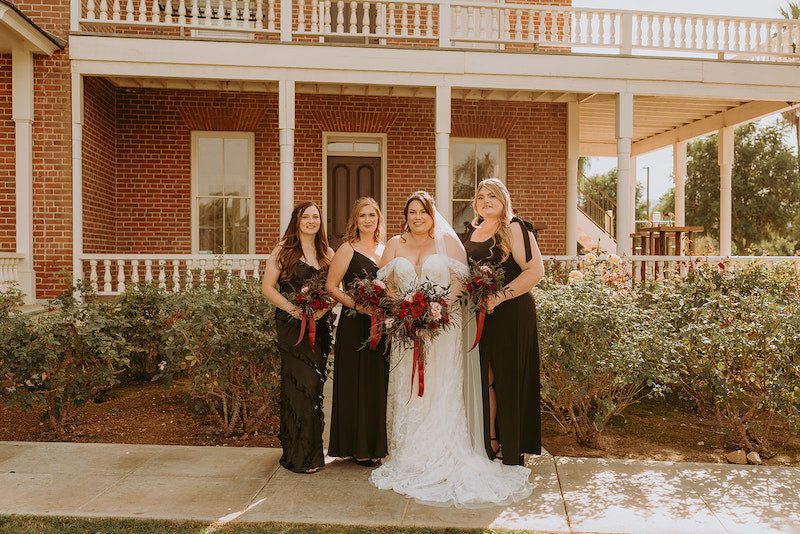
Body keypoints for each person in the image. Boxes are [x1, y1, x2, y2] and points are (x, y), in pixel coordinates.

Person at [369, 191, 532, 508]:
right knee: (410, 391)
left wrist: (437, 311)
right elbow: (383, 284)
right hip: (406, 332)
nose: (418, 217)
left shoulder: (448, 241)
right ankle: (411, 455)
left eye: (424, 212)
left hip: (442, 330)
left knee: (441, 389)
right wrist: (402, 312)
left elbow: (463, 280)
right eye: (412, 211)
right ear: (406, 215)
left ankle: (446, 450)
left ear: (432, 215)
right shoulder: (394, 245)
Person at [462, 178, 545, 465]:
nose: (485, 201)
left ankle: (512, 447)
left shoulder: (514, 228)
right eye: (481, 196)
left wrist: (498, 297)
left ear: (503, 200)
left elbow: (535, 271)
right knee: (484, 379)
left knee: (508, 378)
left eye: (492, 196)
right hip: (479, 316)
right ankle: (490, 439)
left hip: (511, 313)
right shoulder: (473, 231)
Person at [262, 202, 334, 474]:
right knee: (296, 387)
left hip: (320, 327)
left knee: (314, 388)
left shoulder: (327, 252)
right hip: (292, 328)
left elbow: (334, 288)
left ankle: (313, 453)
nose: (312, 221)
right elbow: (268, 287)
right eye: (307, 216)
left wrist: (322, 309)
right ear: (297, 220)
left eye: (316, 216)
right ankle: (297, 455)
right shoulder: (283, 250)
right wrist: (294, 309)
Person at [325, 197, 389, 467]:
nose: (367, 220)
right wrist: (361, 307)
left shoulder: (386, 250)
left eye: (372, 215)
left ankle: (373, 445)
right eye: (362, 215)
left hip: (381, 327)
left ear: (378, 219)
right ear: (355, 220)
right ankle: (356, 447)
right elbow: (332, 286)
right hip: (354, 324)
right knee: (356, 383)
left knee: (376, 385)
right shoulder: (346, 249)